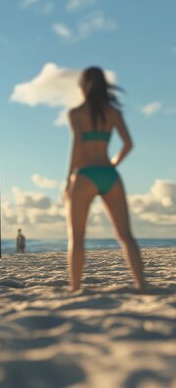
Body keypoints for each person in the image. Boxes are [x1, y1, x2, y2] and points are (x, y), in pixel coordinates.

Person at [64, 66, 146, 293]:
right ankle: (142, 286)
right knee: (126, 236)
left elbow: (77, 147)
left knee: (77, 237)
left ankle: (75, 287)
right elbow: (128, 144)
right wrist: (112, 164)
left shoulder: (76, 113)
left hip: (85, 175)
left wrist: (68, 180)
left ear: (83, 85)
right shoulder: (113, 112)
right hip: (109, 174)